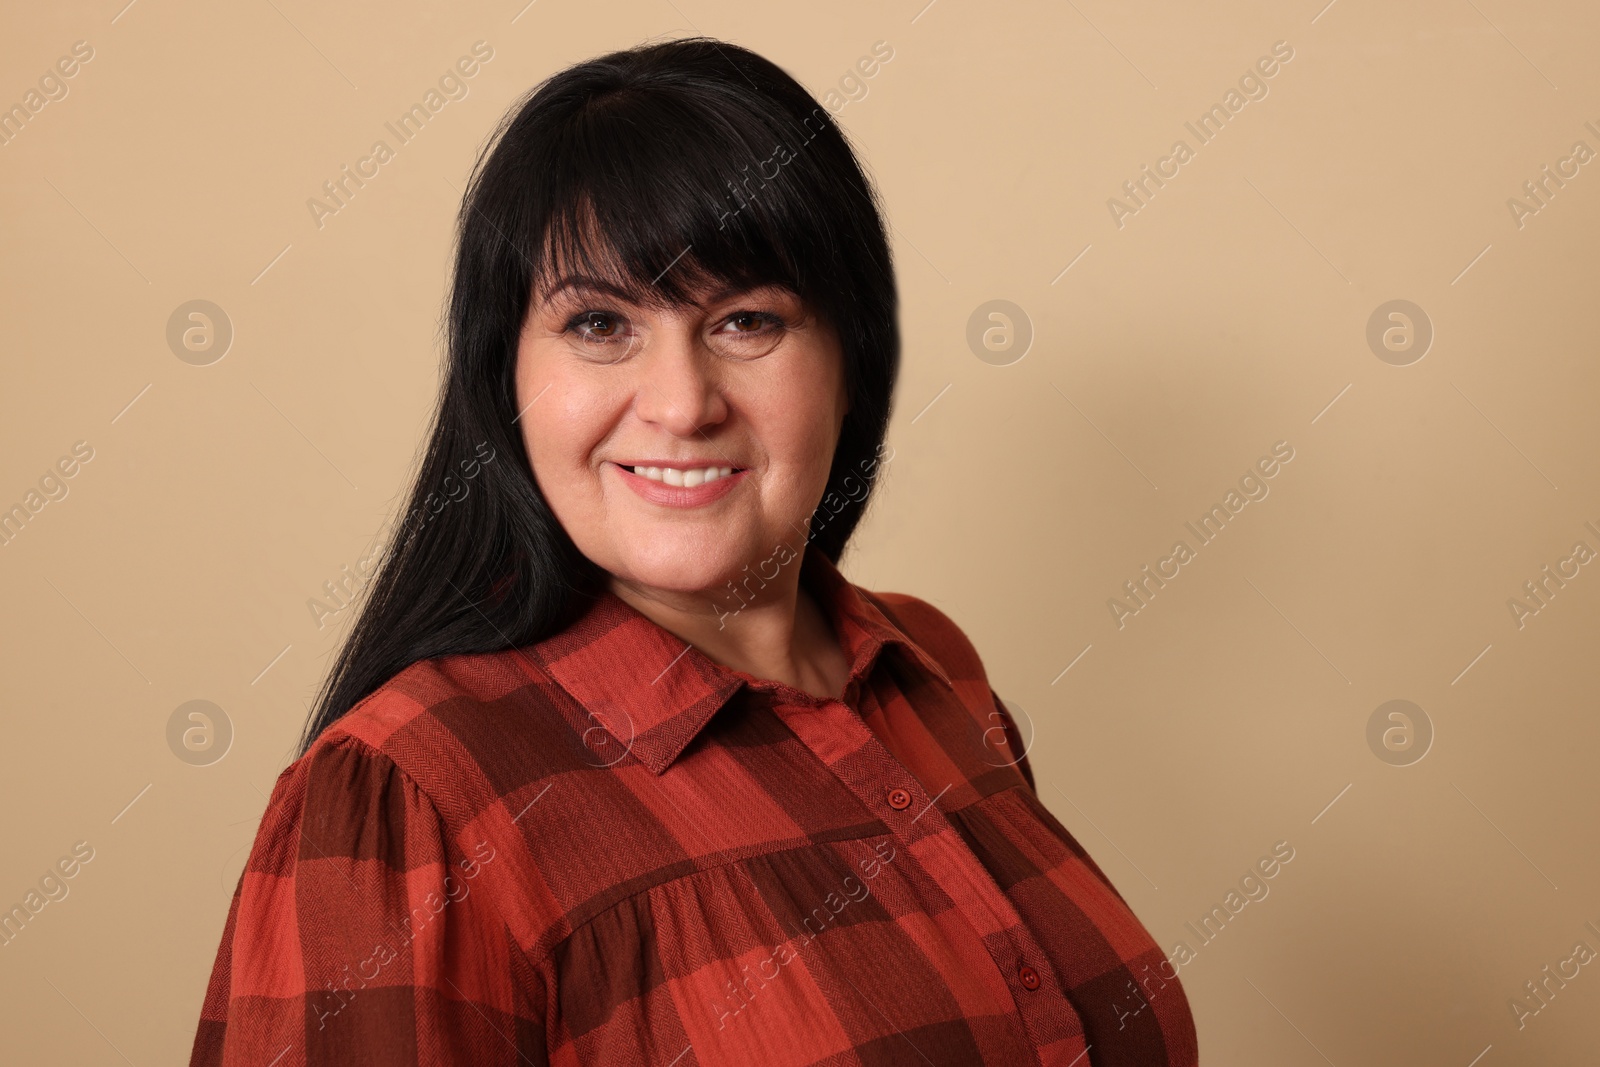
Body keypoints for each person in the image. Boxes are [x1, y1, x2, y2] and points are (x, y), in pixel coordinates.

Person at [189, 37, 1197, 1067]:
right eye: (598, 323)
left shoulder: (931, 664)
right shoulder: (414, 800)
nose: (680, 404)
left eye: (746, 320)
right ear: (504, 382)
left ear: (852, 359)